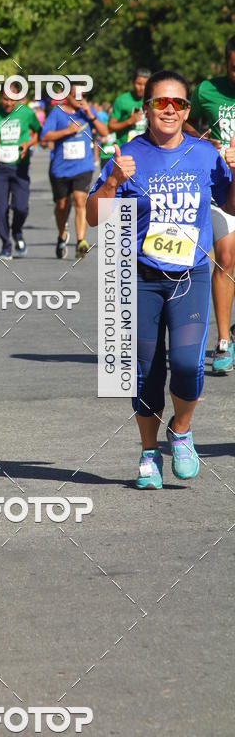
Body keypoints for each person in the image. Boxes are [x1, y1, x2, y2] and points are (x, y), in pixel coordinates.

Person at [87, 70, 235, 490]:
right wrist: (114, 181)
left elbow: (231, 204)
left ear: (187, 110)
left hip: (190, 275)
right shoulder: (127, 154)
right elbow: (96, 218)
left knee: (187, 365)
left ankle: (182, 431)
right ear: (146, 109)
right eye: (161, 103)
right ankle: (148, 451)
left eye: (179, 103)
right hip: (139, 275)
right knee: (145, 372)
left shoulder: (205, 154)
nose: (170, 110)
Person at [186, 35, 235, 374]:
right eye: (234, 68)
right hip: (222, 186)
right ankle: (222, 341)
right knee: (226, 257)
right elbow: (188, 121)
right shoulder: (207, 90)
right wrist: (201, 136)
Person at [40, 84, 108, 259]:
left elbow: (104, 132)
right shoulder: (57, 113)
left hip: (83, 167)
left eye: (82, 95)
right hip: (60, 168)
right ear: (66, 96)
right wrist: (66, 131)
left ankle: (80, 241)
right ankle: (62, 236)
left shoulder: (87, 112)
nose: (79, 98)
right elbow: (44, 137)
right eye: (75, 95)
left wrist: (91, 115)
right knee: (62, 206)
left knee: (79, 200)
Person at [0, 88, 41, 260]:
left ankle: (17, 231)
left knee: (21, 207)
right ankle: (6, 245)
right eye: (5, 99)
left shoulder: (26, 113)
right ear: (0, 98)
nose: (9, 103)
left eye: (12, 99)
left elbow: (39, 133)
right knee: (1, 210)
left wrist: (28, 144)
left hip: (20, 167)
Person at [105, 69, 151, 166]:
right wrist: (129, 121)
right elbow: (110, 126)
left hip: (147, 149)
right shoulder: (122, 100)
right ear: (133, 83)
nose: (141, 88)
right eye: (138, 84)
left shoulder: (152, 100)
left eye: (145, 84)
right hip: (126, 151)